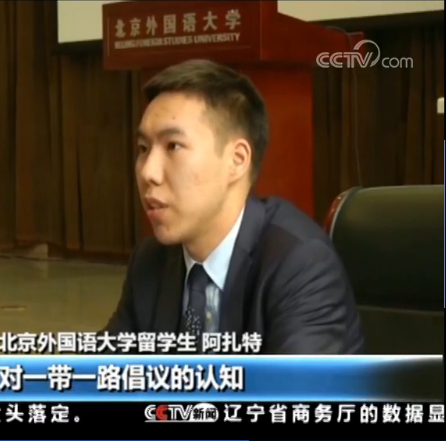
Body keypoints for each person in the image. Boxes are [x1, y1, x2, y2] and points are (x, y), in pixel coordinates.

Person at [104, 59, 364, 354]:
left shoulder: (300, 265)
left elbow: (294, 383)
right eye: (143, 148)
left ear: (237, 160)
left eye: (173, 146)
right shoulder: (151, 261)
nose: (148, 172)